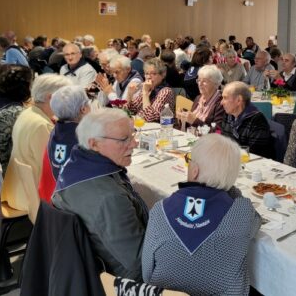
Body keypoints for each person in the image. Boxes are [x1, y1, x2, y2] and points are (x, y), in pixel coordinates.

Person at [142, 134, 260, 295]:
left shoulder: (159, 210)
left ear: (195, 171)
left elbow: (147, 274)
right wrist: (227, 187)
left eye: (189, 160)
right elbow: (256, 224)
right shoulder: (243, 212)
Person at [52, 108, 148, 280]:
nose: (134, 144)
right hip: (122, 279)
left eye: (132, 135)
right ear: (94, 144)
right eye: (124, 139)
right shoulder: (109, 198)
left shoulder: (76, 165)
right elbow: (139, 262)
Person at [47, 85, 91, 179]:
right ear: (83, 109)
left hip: (60, 185)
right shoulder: (85, 139)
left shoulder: (55, 131)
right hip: (83, 186)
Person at [220, 82, 274, 159]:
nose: (221, 102)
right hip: (231, 159)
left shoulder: (257, 120)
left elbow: (255, 154)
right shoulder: (228, 115)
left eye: (225, 98)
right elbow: (224, 143)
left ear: (239, 100)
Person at [126, 58, 175, 122]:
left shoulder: (166, 91)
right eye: (146, 73)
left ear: (163, 75)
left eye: (153, 74)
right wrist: (129, 94)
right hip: (141, 125)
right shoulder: (148, 88)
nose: (148, 77)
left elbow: (149, 117)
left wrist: (145, 93)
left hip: (159, 127)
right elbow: (130, 110)